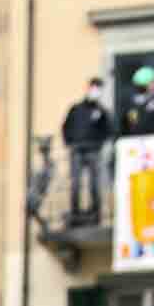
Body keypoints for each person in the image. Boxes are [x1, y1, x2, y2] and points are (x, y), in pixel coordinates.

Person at [60, 76, 113, 221]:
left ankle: (95, 211)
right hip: (77, 149)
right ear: (88, 88)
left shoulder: (102, 111)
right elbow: (65, 126)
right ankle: (75, 211)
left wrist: (100, 142)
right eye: (94, 88)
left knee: (94, 183)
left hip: (93, 150)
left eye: (98, 89)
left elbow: (108, 130)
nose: (96, 91)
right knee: (75, 182)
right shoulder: (76, 109)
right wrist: (68, 141)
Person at [118, 65, 154, 138]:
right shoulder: (130, 103)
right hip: (135, 143)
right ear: (145, 84)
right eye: (153, 82)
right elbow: (132, 124)